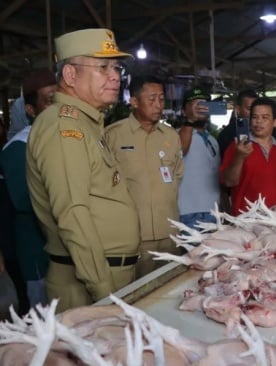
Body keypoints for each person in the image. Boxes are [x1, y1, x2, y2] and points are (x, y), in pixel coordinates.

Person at [25, 28, 141, 312]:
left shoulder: (87, 124)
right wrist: (104, 292)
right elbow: (72, 214)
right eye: (103, 67)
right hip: (89, 285)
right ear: (70, 76)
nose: (115, 76)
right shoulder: (64, 127)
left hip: (105, 275)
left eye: (116, 67)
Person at [105, 75, 183, 278]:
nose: (158, 105)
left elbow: (177, 176)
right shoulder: (113, 135)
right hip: (133, 236)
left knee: (169, 290)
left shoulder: (171, 136)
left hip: (169, 233)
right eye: (151, 99)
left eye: (162, 99)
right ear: (133, 101)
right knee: (135, 294)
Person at [0, 69, 56, 308]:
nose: (56, 106)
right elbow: (24, 201)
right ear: (31, 110)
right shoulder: (18, 148)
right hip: (38, 253)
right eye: (49, 100)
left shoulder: (64, 138)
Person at [220, 97, 276, 216]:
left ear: (275, 122)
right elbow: (229, 182)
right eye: (254, 117)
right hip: (247, 220)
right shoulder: (238, 146)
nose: (258, 121)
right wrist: (239, 157)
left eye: (265, 117)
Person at [178, 87, 221, 229]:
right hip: (189, 213)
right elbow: (180, 151)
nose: (201, 107)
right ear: (184, 111)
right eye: (195, 104)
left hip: (214, 212)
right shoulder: (176, 135)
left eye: (204, 104)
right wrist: (190, 121)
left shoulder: (212, 140)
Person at [217, 89, 258, 159]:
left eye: (256, 109)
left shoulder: (262, 131)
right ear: (238, 109)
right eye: (249, 109)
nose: (254, 112)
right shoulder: (227, 135)